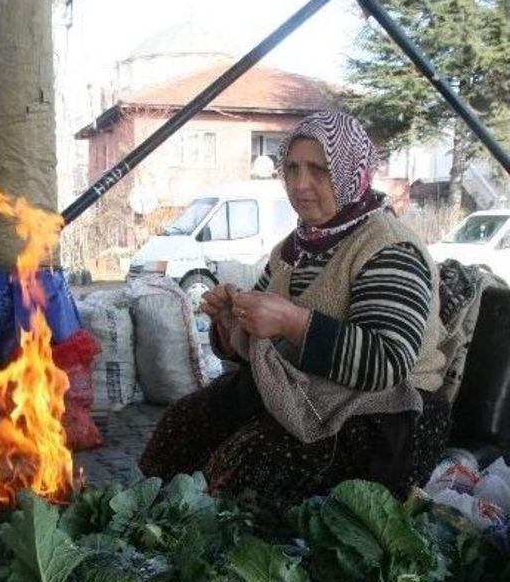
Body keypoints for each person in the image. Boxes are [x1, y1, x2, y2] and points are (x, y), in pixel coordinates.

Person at [139, 110, 450, 516]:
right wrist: (233, 327)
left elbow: (386, 362)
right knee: (182, 425)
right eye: (292, 168)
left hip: (390, 417)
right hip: (306, 394)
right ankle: (152, 530)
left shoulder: (388, 248)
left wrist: (292, 321)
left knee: (253, 462)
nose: (301, 184)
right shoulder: (293, 248)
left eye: (319, 170)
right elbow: (261, 351)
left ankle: (230, 561)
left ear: (350, 172)